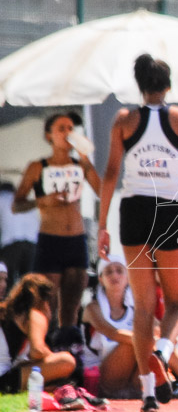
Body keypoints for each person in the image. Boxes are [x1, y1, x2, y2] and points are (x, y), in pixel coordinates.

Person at [98, 54, 178, 412]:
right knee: (177, 301)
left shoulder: (124, 120)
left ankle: (148, 391)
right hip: (171, 209)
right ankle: (164, 351)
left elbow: (111, 174)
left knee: (143, 306)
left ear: (140, 85)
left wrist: (102, 226)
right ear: (169, 85)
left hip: (132, 211)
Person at [12, 112, 100, 351]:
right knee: (45, 299)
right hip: (50, 239)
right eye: (61, 128)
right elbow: (17, 204)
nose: (67, 133)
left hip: (76, 239)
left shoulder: (79, 164)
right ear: (49, 135)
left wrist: (86, 160)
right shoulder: (38, 167)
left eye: (70, 128)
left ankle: (70, 348)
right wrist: (41, 202)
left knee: (72, 304)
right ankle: (41, 348)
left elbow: (103, 191)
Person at [82, 254, 178, 400]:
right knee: (136, 343)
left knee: (160, 341)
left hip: (134, 375)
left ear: (128, 278)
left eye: (119, 271)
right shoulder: (92, 308)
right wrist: (149, 340)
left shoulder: (135, 308)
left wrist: (164, 340)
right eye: (108, 271)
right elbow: (113, 333)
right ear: (101, 279)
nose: (114, 275)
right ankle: (177, 381)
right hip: (106, 376)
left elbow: (158, 329)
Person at [0, 273, 105, 410]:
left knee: (45, 373)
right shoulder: (35, 313)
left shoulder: (8, 310)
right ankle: (67, 389)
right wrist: (52, 358)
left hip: (6, 374)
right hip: (4, 380)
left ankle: (63, 389)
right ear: (46, 300)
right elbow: (37, 351)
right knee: (66, 361)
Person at [0, 180, 39, 286]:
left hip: (12, 244)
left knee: (7, 281)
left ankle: (8, 302)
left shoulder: (2, 198)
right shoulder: (26, 202)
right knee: (29, 283)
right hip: (32, 246)